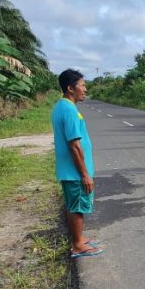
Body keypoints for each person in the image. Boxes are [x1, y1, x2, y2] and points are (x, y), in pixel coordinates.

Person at [51, 69, 102, 258]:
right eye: (82, 85)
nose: (85, 89)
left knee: (75, 205)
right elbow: (74, 146)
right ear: (70, 88)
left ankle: (79, 238)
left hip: (71, 170)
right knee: (77, 207)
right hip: (74, 172)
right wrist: (85, 175)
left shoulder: (63, 106)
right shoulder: (68, 110)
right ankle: (78, 245)